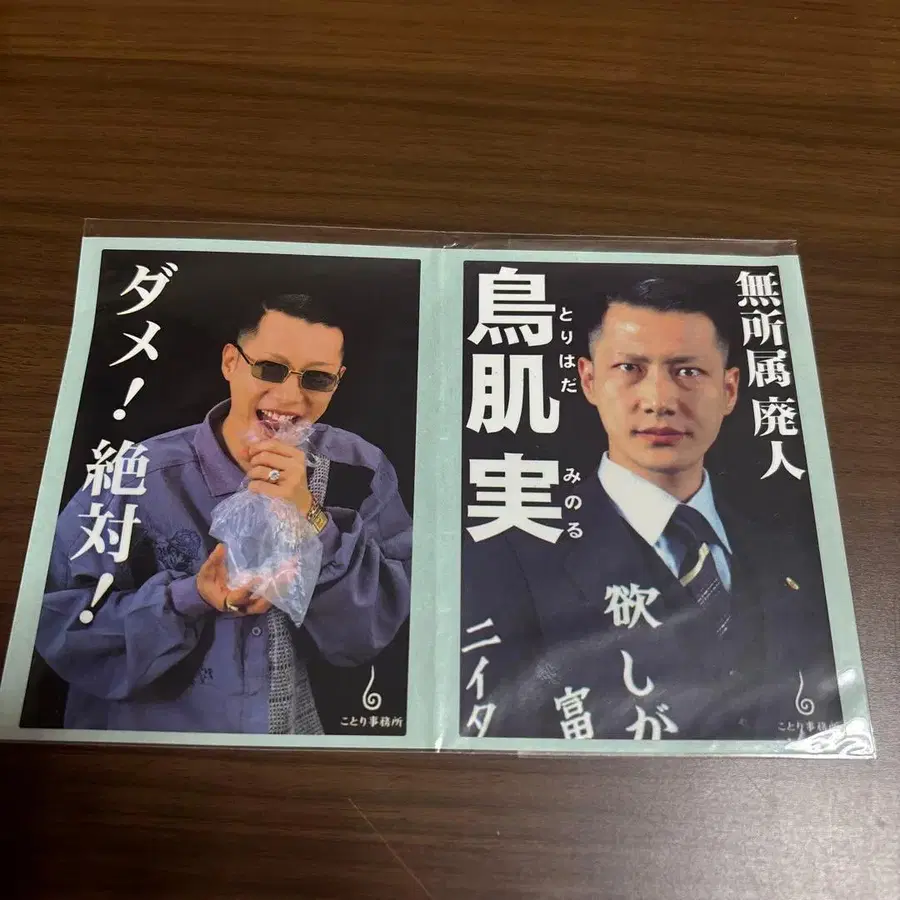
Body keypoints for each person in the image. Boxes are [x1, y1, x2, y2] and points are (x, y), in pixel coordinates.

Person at [460, 277, 841, 741]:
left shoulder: (794, 552)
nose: (660, 401)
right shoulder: (506, 554)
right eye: (630, 368)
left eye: (688, 372)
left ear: (729, 388)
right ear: (589, 380)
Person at [37, 292, 412, 733]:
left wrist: (311, 516)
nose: (290, 397)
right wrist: (189, 597)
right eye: (270, 368)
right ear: (231, 362)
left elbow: (374, 631)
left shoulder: (360, 469)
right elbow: (58, 625)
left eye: (317, 378)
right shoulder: (138, 475)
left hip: (290, 744)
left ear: (337, 380)